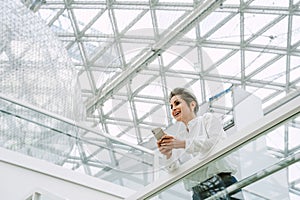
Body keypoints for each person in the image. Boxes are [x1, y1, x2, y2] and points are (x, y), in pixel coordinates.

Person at [157, 87, 242, 200]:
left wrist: (181, 144)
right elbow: (173, 169)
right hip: (198, 192)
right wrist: (168, 154)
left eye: (177, 103)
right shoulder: (180, 138)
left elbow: (212, 143)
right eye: (171, 106)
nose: (174, 108)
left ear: (192, 105)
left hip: (221, 180)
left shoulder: (207, 119)